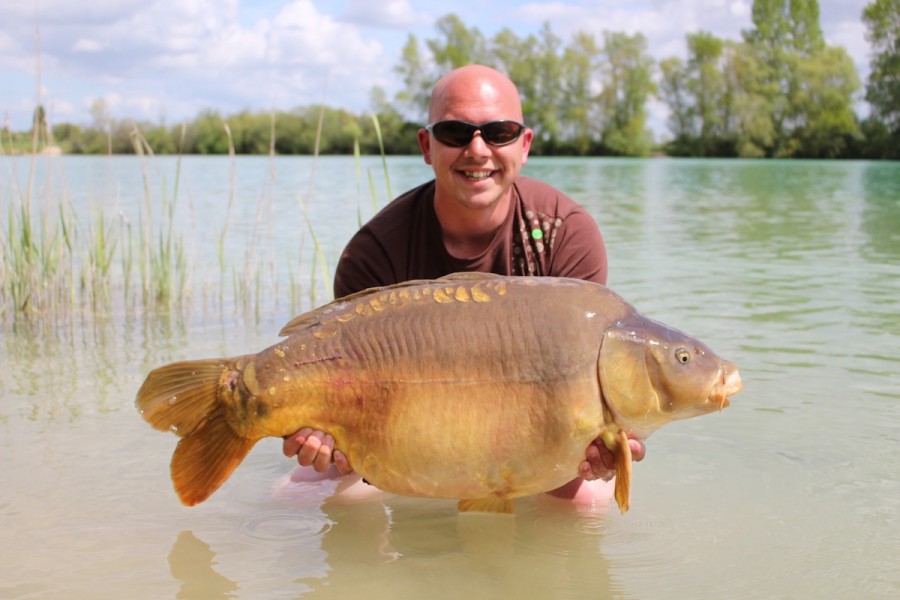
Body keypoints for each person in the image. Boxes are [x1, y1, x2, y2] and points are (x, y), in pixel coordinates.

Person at [282, 64, 645, 502]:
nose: (478, 150)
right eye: (455, 132)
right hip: (404, 440)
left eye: (500, 132)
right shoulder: (376, 250)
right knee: (309, 498)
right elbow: (344, 386)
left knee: (586, 502)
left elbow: (574, 408)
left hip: (527, 442)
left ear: (524, 144)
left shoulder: (564, 235)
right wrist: (323, 436)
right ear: (426, 146)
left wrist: (601, 448)